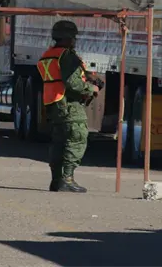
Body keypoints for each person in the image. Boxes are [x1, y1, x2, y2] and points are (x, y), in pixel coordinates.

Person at [36, 20, 100, 193]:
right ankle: (67, 179)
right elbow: (72, 83)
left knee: (59, 142)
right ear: (68, 37)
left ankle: (56, 180)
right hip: (69, 104)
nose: (75, 40)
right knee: (77, 138)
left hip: (54, 104)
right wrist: (91, 88)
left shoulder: (49, 54)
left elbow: (59, 76)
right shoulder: (67, 56)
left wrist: (86, 75)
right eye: (73, 37)